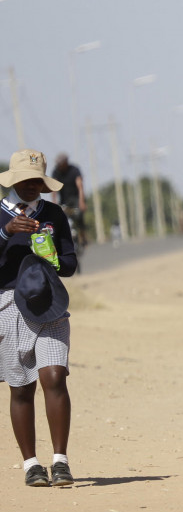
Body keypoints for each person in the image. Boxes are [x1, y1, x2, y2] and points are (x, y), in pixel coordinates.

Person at [0, 149, 79, 487]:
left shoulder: (54, 214)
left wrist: (54, 259)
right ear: (14, 181)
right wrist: (6, 233)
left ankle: (60, 462)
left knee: (54, 376)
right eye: (26, 180)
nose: (32, 186)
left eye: (38, 181)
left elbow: (71, 264)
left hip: (50, 303)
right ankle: (31, 464)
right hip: (8, 305)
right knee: (21, 388)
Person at [51, 154, 87, 247]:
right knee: (60, 219)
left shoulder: (74, 170)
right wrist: (54, 203)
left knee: (79, 216)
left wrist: (82, 202)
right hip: (64, 200)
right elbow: (54, 189)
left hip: (75, 199)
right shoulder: (56, 171)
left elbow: (80, 186)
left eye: (61, 163)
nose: (59, 165)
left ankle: (82, 236)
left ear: (66, 162)